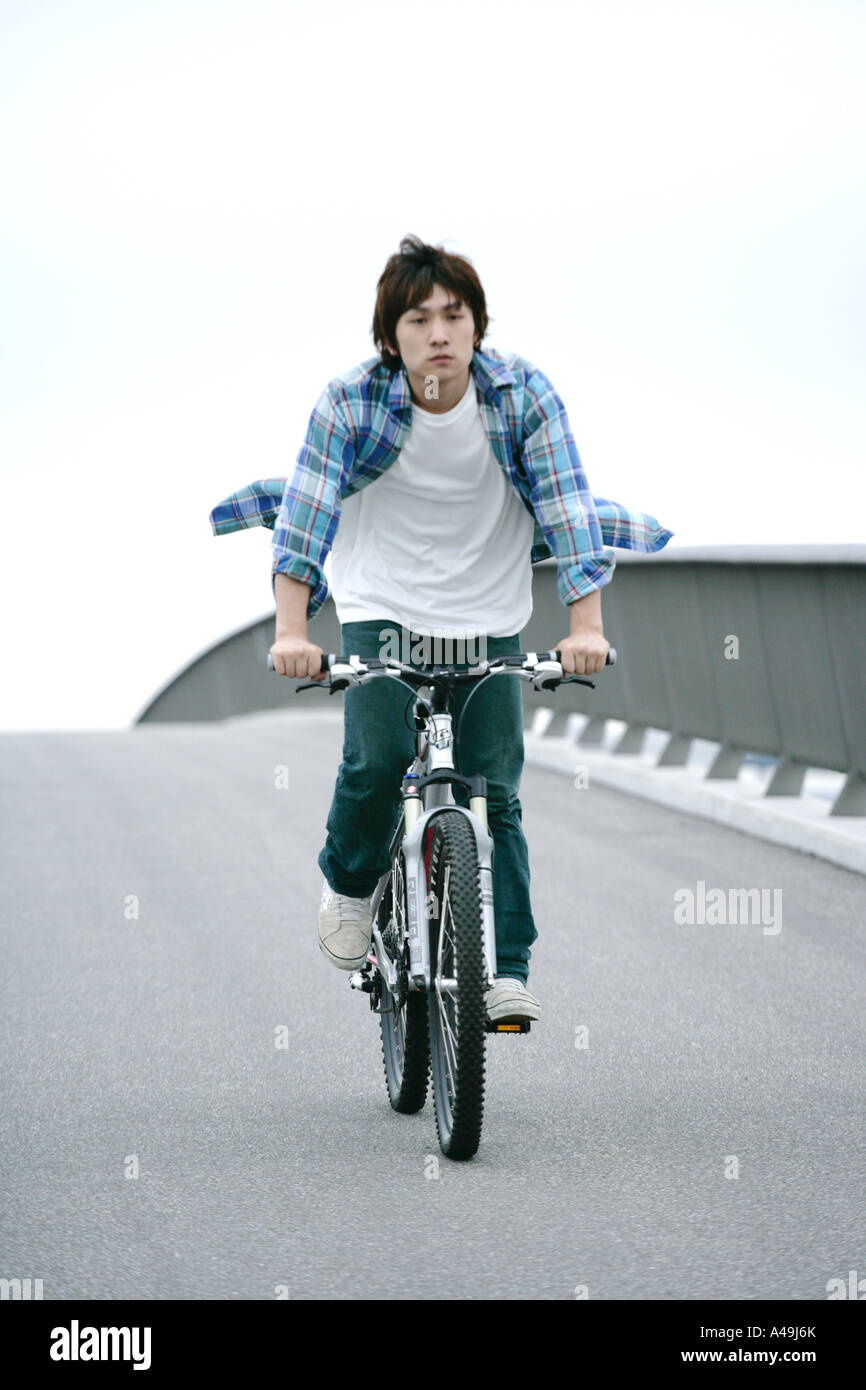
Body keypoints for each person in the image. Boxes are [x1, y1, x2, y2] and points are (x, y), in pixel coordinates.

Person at [262, 233, 665, 1023]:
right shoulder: (350, 402)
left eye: (455, 315)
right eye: (418, 319)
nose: (439, 333)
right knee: (377, 759)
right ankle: (350, 885)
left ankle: (505, 967)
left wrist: (586, 623)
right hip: (384, 605)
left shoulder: (522, 397)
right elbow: (305, 519)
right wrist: (289, 632)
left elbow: (568, 510)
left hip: (487, 615)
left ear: (478, 326)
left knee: (495, 791)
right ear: (391, 338)